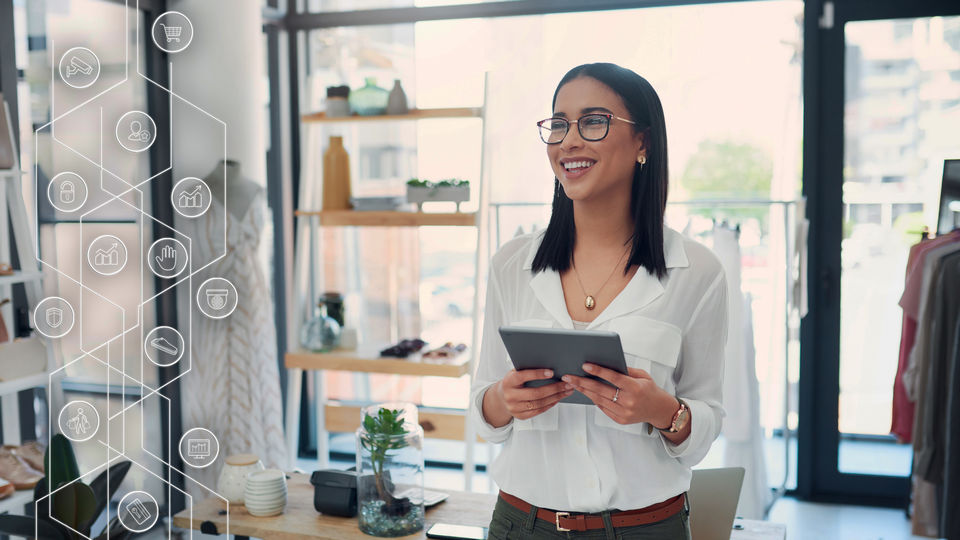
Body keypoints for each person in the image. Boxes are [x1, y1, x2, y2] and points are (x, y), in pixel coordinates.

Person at [470, 62, 728, 539]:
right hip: (521, 525)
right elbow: (484, 413)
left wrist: (662, 411)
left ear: (643, 143)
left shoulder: (698, 272)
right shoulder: (511, 265)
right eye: (559, 124)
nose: (568, 140)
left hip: (645, 529)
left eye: (593, 121)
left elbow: (706, 424)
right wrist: (503, 400)